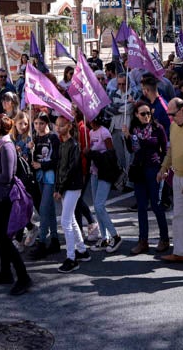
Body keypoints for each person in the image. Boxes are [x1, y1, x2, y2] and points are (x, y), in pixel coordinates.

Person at [0, 114, 32, 295]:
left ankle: (23, 277)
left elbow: (7, 177)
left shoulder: (7, 147)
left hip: (6, 199)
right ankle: (5, 272)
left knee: (4, 239)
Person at [156, 97, 183, 265]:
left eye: (172, 114)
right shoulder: (174, 126)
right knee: (178, 216)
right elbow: (171, 149)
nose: (171, 118)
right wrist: (163, 168)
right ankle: (181, 252)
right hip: (178, 176)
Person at [127, 101, 169, 255]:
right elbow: (131, 149)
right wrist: (127, 137)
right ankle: (142, 241)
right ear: (136, 115)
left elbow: (165, 150)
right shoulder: (134, 129)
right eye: (143, 114)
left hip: (154, 169)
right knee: (142, 207)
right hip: (139, 170)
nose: (146, 116)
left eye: (148, 113)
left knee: (157, 205)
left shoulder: (158, 128)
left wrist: (164, 169)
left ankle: (164, 238)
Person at [53, 113, 91, 272]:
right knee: (71, 220)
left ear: (69, 126)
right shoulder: (62, 144)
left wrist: (60, 189)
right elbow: (59, 168)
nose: (58, 127)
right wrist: (57, 187)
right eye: (57, 124)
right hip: (65, 186)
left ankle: (71, 258)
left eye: (61, 125)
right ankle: (82, 250)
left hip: (73, 186)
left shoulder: (74, 145)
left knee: (66, 221)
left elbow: (70, 169)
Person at [86, 116, 121, 252]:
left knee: (100, 205)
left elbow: (111, 155)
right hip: (94, 172)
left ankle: (115, 235)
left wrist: (92, 154)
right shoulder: (90, 132)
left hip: (105, 172)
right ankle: (104, 238)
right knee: (96, 206)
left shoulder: (104, 132)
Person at [30, 112, 62, 259]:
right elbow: (33, 160)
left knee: (43, 209)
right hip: (40, 177)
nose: (38, 126)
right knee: (49, 209)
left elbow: (55, 160)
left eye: (41, 123)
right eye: (36, 123)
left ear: (47, 124)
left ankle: (42, 242)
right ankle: (54, 239)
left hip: (50, 177)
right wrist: (30, 148)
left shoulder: (53, 138)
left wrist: (41, 165)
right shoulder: (35, 138)